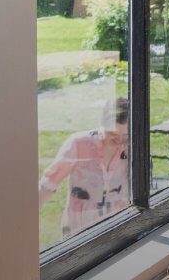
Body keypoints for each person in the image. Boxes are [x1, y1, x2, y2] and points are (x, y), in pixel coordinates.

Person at [39, 97, 131, 239]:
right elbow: (49, 182)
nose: (119, 141)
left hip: (118, 222)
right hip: (80, 225)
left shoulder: (131, 146)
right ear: (102, 124)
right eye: (112, 134)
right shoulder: (78, 143)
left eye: (125, 136)